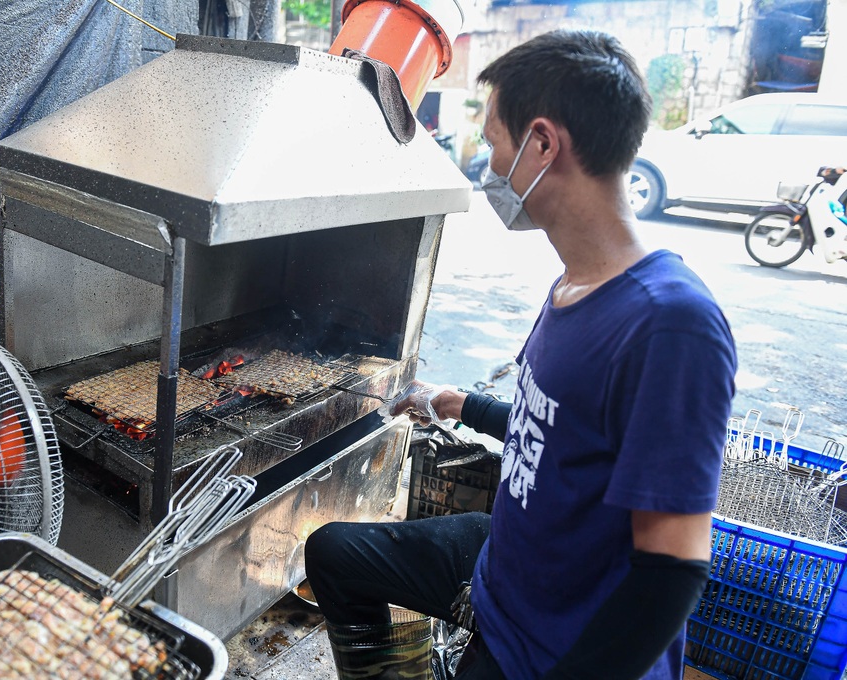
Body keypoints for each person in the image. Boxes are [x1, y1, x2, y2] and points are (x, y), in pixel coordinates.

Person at [305, 29, 737, 680]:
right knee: (334, 552)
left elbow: (669, 574)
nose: (486, 159)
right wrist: (459, 404)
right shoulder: (574, 282)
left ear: (541, 144)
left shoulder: (671, 326)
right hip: (503, 564)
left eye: (492, 140)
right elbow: (566, 430)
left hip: (547, 645)